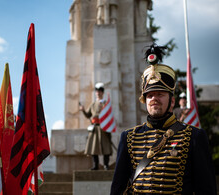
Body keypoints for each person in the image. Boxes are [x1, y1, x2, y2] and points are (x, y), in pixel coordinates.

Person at [110, 44, 217, 194]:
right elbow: (117, 188)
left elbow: (206, 190)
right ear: (145, 100)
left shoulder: (194, 137)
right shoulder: (128, 137)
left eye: (160, 94)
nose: (154, 99)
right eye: (150, 95)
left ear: (172, 101)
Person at [79, 82, 112, 170]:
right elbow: (88, 115)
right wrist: (83, 110)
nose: (98, 92)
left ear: (102, 92)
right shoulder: (93, 104)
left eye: (100, 91)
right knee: (93, 147)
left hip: (104, 127)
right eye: (97, 91)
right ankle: (96, 165)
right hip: (94, 127)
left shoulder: (106, 103)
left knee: (106, 147)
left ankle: (106, 165)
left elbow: (109, 115)